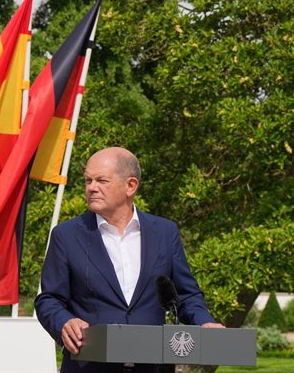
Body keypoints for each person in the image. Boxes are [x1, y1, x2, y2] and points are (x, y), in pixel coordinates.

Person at [35, 147, 223, 373]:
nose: (92, 187)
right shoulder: (66, 235)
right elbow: (49, 299)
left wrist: (205, 322)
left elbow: (185, 294)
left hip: (152, 367)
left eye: (101, 180)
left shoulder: (164, 232)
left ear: (130, 185)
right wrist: (64, 322)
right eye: (88, 180)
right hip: (88, 366)